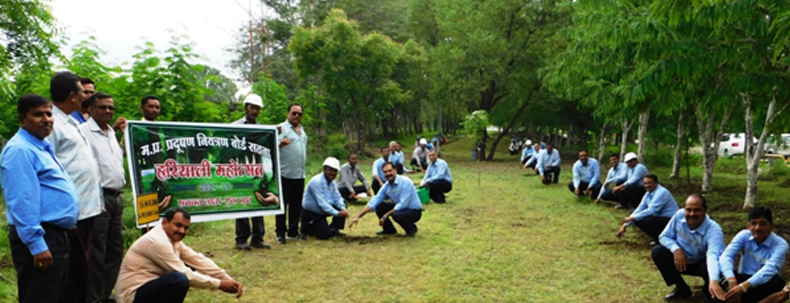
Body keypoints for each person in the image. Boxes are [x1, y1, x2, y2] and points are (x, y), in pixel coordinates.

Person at [2, 94, 80, 303]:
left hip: (56, 234)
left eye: (49, 113)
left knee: (55, 295)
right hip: (41, 236)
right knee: (40, 297)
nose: (46, 119)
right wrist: (37, 245)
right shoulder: (20, 150)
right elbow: (22, 201)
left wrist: (67, 220)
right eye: (38, 114)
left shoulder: (41, 146)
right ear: (22, 119)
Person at [48, 71, 103, 303]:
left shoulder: (70, 120)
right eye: (82, 91)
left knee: (82, 269)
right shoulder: (50, 122)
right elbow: (47, 169)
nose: (85, 95)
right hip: (72, 214)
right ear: (72, 95)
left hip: (87, 210)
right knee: (73, 274)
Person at [115, 208, 244, 303]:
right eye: (178, 225)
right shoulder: (157, 242)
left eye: (186, 228)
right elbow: (186, 274)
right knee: (179, 279)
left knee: (183, 275)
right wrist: (220, 284)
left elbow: (198, 260)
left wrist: (228, 279)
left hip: (149, 290)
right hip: (131, 297)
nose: (182, 231)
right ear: (165, 222)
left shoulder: (173, 240)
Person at [79, 93, 127, 303]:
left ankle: (106, 292)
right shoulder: (83, 133)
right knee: (97, 251)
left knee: (115, 249)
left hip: (117, 197)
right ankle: (94, 296)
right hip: (98, 197)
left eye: (111, 108)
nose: (108, 111)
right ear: (90, 108)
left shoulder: (110, 134)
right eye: (102, 107)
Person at [652, 194, 726, 302]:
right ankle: (682, 289)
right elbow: (664, 236)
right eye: (688, 210)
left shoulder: (714, 230)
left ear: (705, 210)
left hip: (706, 265)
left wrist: (713, 280)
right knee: (658, 252)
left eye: (697, 210)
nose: (692, 214)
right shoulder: (678, 216)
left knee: (709, 266)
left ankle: (709, 292)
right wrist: (676, 249)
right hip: (682, 261)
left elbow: (713, 257)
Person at [228, 94, 272, 250]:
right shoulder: (234, 126)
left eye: (257, 109)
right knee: (242, 202)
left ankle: (258, 238)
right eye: (252, 107)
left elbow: (267, 149)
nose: (255, 111)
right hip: (240, 170)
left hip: (257, 170)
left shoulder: (262, 130)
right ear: (246, 107)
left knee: (259, 201)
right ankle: (241, 239)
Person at [718, 206, 788, 303]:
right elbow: (726, 256)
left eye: (763, 224)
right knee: (718, 273)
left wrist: (744, 287)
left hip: (763, 284)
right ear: (748, 225)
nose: (757, 228)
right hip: (742, 280)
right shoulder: (744, 235)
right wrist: (731, 280)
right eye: (753, 223)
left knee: (777, 282)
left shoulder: (780, 244)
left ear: (772, 226)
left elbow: (770, 269)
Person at [349, 162, 423, 237]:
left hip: (414, 211)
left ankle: (411, 230)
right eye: (385, 172)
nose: (388, 173)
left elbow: (403, 204)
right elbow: (374, 202)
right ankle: (389, 230)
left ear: (395, 170)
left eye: (390, 171)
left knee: (396, 215)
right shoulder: (386, 186)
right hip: (400, 208)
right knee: (379, 206)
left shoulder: (406, 182)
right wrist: (358, 217)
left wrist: (385, 216)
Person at [277, 103, 308, 244]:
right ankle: (280, 233)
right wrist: (279, 144)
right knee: (283, 206)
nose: (296, 116)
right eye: (294, 113)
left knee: (296, 206)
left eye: (299, 114)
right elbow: (270, 145)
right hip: (284, 173)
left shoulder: (302, 130)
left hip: (299, 174)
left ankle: (293, 232)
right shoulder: (280, 128)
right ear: (288, 113)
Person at [616, 174, 679, 242]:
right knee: (638, 219)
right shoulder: (648, 193)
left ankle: (663, 239)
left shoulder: (661, 192)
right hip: (660, 218)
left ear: (656, 183)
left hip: (672, 221)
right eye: (645, 183)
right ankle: (658, 239)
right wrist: (625, 225)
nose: (647, 185)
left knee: (646, 220)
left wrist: (633, 217)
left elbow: (652, 211)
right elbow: (640, 208)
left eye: (650, 183)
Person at [301, 157, 351, 239]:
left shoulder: (332, 183)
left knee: (344, 203)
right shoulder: (316, 181)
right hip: (311, 212)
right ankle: (307, 227)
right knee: (325, 235)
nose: (332, 173)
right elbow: (322, 203)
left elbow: (337, 197)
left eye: (335, 171)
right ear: (324, 169)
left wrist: (342, 208)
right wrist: (338, 213)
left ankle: (335, 228)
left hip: (324, 210)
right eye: (330, 170)